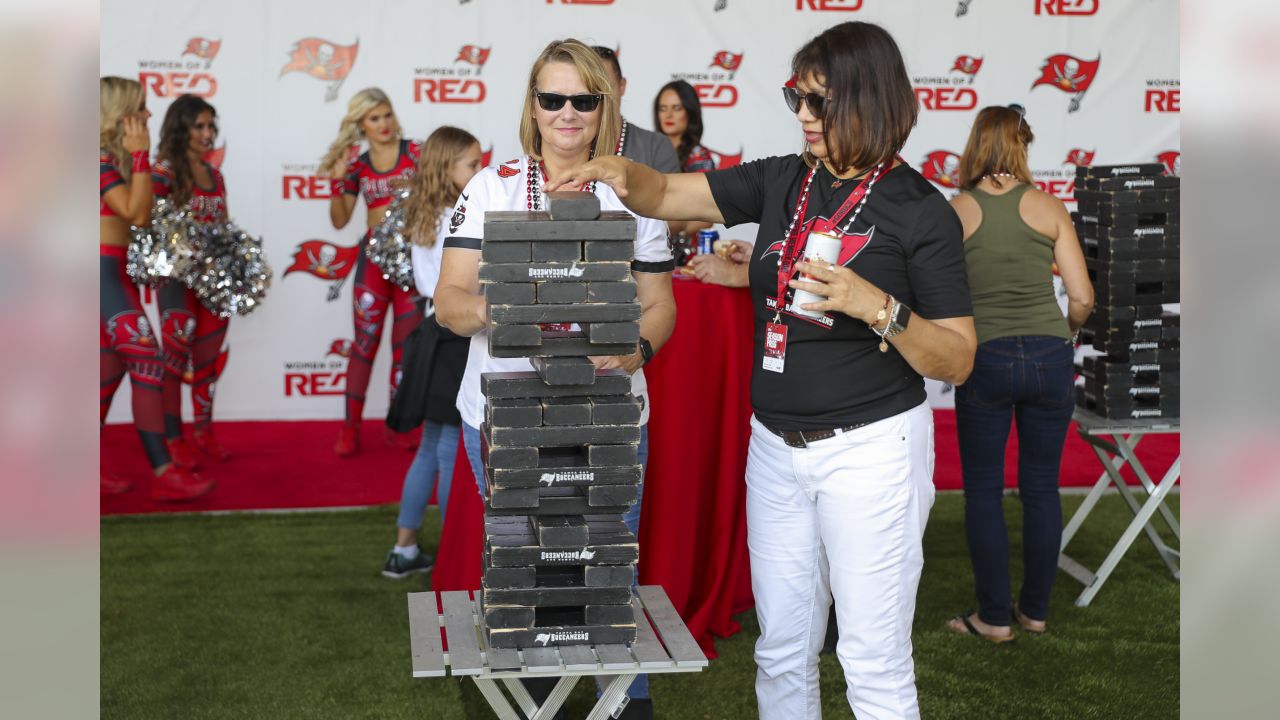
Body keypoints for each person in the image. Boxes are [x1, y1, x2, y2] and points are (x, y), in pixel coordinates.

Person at [547, 21, 976, 720]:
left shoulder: (920, 210)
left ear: (870, 101)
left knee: (871, 660)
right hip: (775, 448)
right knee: (781, 649)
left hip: (870, 452)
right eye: (794, 98)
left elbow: (958, 356)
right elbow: (668, 196)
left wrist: (879, 309)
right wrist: (621, 172)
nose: (803, 116)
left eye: (818, 102)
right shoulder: (786, 178)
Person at [435, 39, 676, 720]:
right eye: (553, 98)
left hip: (609, 412)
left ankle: (625, 703)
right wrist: (513, 312)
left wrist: (638, 349)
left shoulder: (636, 190)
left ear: (605, 106)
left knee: (608, 566)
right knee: (523, 566)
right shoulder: (493, 185)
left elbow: (660, 306)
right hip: (506, 416)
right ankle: (535, 702)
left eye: (584, 99)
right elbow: (450, 303)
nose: (568, 113)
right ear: (533, 106)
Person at [944, 104, 1094, 642]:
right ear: (1021, 145)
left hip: (986, 357)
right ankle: (1033, 611)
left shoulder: (958, 210)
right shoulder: (1049, 206)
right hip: (1051, 355)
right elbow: (1081, 297)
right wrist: (1066, 333)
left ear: (976, 146)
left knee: (983, 490)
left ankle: (993, 618)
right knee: (1041, 488)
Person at [99, 77, 212, 501]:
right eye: (141, 108)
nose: (148, 115)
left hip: (113, 272)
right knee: (147, 359)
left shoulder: (112, 159)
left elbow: (139, 216)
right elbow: (138, 214)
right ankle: (165, 473)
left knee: (107, 375)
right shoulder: (95, 160)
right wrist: (142, 154)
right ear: (121, 114)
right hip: (98, 275)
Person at [382, 126, 484, 579]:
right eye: (472, 164)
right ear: (448, 168)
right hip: (452, 335)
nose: (480, 172)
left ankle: (405, 548)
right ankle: (450, 553)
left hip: (434, 331)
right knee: (447, 451)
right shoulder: (454, 217)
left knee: (431, 448)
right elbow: (466, 287)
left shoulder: (426, 212)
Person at [320, 87, 424, 457]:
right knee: (363, 346)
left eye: (387, 114)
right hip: (373, 263)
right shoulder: (357, 165)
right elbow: (339, 220)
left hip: (411, 262)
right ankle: (349, 430)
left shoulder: (417, 153)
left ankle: (397, 427)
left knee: (405, 350)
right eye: (374, 118)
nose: (383, 124)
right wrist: (336, 180)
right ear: (361, 123)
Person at [152, 94, 233, 464]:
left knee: (206, 360)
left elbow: (224, 226)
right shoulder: (163, 173)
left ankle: (204, 431)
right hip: (178, 283)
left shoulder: (215, 174)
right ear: (180, 128)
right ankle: (173, 439)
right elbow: (151, 227)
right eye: (198, 126)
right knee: (174, 360)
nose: (207, 133)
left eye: (210, 126)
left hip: (213, 282)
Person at [591, 46, 679, 174]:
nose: (599, 96)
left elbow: (670, 193)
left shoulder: (655, 146)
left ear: (622, 86)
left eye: (606, 87)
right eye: (590, 88)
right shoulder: (566, 142)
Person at [654, 80, 715, 173]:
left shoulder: (699, 155)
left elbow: (704, 187)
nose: (668, 115)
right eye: (663, 109)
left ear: (690, 112)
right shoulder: (651, 149)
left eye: (677, 108)